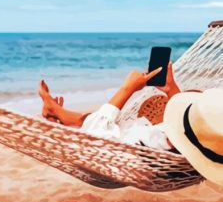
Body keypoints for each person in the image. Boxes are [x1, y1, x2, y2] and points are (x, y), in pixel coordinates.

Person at [39, 62, 180, 150]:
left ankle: (60, 116)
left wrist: (128, 88)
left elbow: (97, 139)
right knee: (109, 122)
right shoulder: (185, 136)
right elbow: (186, 120)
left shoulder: (178, 140)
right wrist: (170, 88)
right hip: (133, 134)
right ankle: (68, 118)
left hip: (118, 148)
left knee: (100, 125)